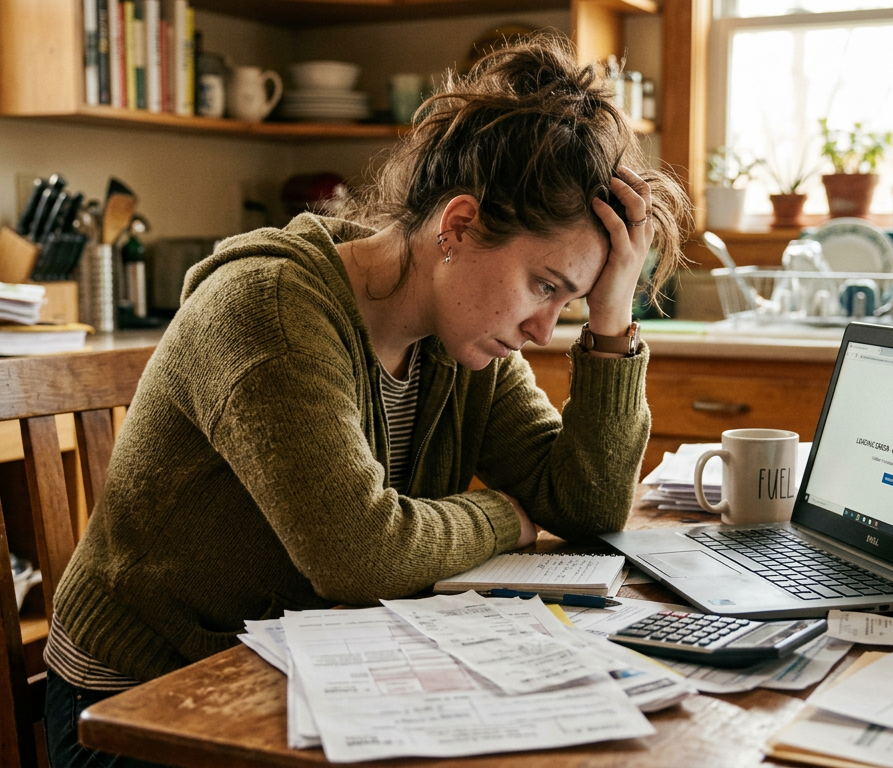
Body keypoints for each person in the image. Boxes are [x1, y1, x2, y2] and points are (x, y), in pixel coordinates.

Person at [43, 33, 691, 765]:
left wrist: (611, 322)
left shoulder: (464, 340)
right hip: (140, 700)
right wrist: (503, 515)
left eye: (569, 301)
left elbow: (586, 505)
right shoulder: (271, 308)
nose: (546, 330)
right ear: (458, 226)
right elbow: (358, 554)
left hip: (302, 673)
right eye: (545, 286)